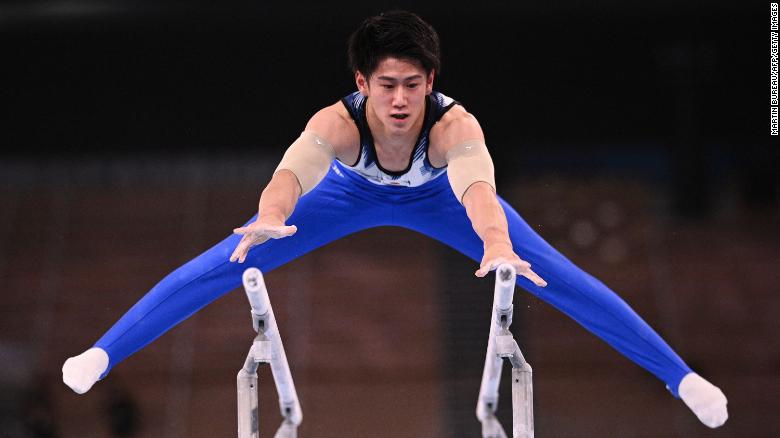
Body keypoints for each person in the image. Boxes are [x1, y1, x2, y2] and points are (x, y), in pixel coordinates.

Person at [62, 10, 728, 429]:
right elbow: (290, 174)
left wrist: (496, 242)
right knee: (232, 259)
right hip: (347, 197)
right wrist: (268, 217)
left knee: (553, 276)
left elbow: (477, 186)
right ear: (362, 84)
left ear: (431, 80)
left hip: (445, 201)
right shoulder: (335, 123)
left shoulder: (454, 125)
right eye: (387, 85)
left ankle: (682, 377)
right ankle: (103, 352)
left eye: (414, 84)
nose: (402, 98)